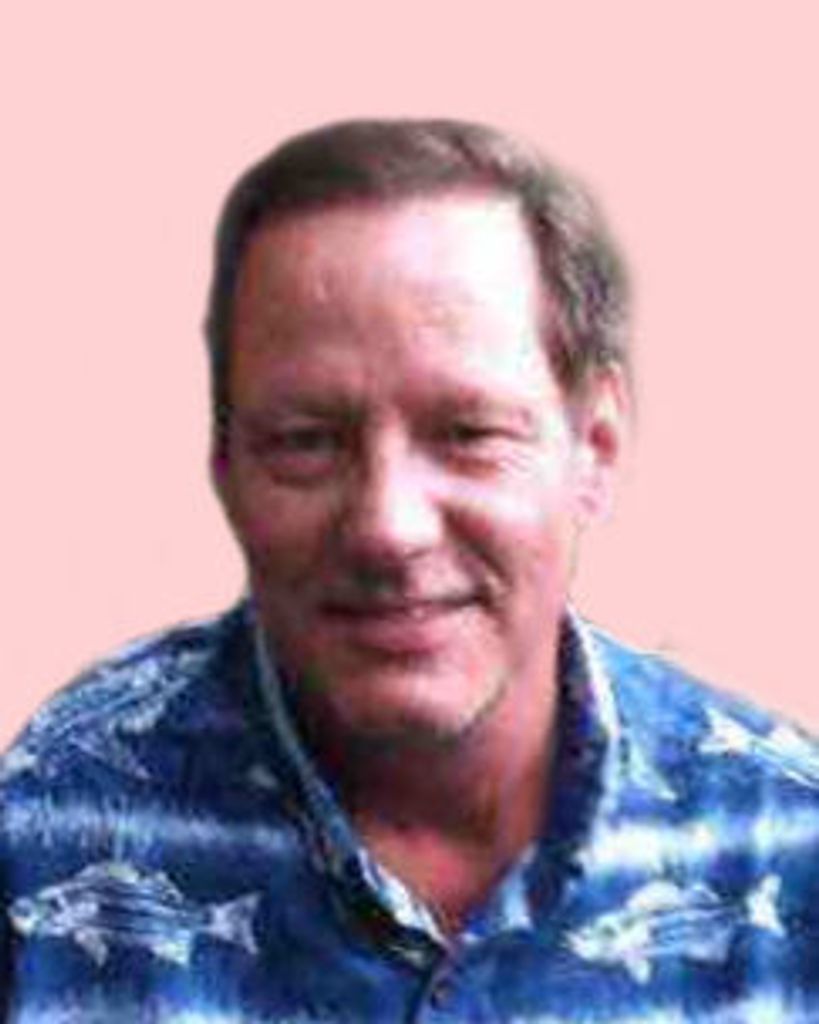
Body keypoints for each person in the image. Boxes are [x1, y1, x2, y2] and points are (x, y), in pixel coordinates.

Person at [2, 119, 819, 1023]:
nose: (388, 528)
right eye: (306, 441)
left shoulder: (786, 841)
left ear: (593, 447)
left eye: (469, 434)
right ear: (223, 465)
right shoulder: (43, 829)